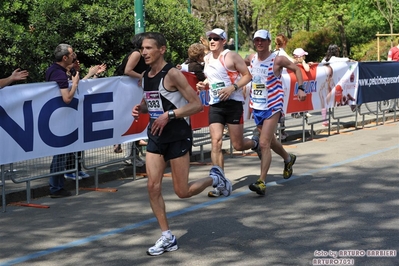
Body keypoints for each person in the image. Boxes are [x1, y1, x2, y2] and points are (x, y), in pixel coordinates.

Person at [132, 32, 232, 256]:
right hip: (156, 136)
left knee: (182, 191)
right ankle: (167, 236)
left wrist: (169, 115)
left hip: (177, 135)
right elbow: (151, 103)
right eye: (142, 49)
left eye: (149, 48)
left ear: (162, 49)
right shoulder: (147, 75)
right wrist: (141, 108)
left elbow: (196, 105)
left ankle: (215, 178)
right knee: (152, 186)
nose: (144, 52)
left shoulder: (174, 74)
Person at [196, 28, 255, 197]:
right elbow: (213, 78)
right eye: (210, 38)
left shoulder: (231, 56)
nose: (212, 41)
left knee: (238, 145)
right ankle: (220, 182)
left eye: (216, 38)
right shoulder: (207, 58)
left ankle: (255, 143)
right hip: (216, 104)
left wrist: (233, 87)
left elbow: (247, 76)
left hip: (233, 103)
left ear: (223, 41)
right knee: (216, 142)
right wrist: (205, 85)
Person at [247, 29, 306, 196]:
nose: (259, 43)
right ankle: (288, 158)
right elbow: (236, 65)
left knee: (264, 143)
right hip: (257, 106)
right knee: (271, 142)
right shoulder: (251, 58)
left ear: (269, 42)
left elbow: (297, 70)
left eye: (262, 40)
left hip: (273, 105)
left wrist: (300, 88)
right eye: (257, 40)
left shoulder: (277, 59)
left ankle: (261, 182)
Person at [64, 57, 107, 180]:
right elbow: (76, 87)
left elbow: (86, 88)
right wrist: (89, 74)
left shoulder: (75, 74)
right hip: (68, 114)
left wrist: (95, 76)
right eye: (74, 61)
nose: (77, 63)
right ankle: (68, 170)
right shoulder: (64, 75)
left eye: (78, 61)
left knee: (78, 144)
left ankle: (77, 169)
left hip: (79, 114)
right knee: (69, 145)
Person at [45, 43, 79, 198]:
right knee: (60, 154)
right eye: (72, 54)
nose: (74, 56)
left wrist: (76, 72)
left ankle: (58, 185)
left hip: (62, 116)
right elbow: (66, 98)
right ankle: (56, 188)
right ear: (64, 57)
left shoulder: (60, 70)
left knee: (62, 154)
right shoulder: (57, 73)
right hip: (58, 118)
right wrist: (76, 84)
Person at [123, 32, 148, 167]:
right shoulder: (136, 54)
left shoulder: (142, 54)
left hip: (135, 89)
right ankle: (129, 156)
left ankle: (135, 155)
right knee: (131, 120)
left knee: (137, 120)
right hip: (127, 89)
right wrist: (141, 77)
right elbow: (127, 70)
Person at [292, 48, 311, 118]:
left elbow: (307, 68)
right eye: (303, 56)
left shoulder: (302, 63)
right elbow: (307, 69)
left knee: (302, 97)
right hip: (295, 83)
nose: (304, 58)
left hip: (301, 83)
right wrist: (303, 62)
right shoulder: (294, 62)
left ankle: (303, 111)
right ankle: (295, 112)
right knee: (294, 97)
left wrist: (305, 63)